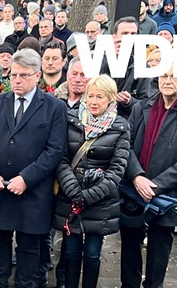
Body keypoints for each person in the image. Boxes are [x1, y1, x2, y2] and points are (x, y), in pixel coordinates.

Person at [0, 48, 67, 288]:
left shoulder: (54, 107)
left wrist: (26, 178)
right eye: (14, 75)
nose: (16, 80)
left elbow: (55, 150)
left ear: (37, 76)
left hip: (33, 191)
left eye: (23, 75)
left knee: (29, 248)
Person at [121, 63, 177, 288]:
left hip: (168, 194)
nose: (167, 80)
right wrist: (137, 177)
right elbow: (126, 146)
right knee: (130, 244)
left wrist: (156, 186)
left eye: (174, 76)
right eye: (163, 75)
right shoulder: (141, 107)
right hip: (134, 189)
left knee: (159, 249)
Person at [53, 75, 130, 288]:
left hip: (101, 201)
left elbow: (117, 169)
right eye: (91, 96)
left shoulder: (120, 126)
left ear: (111, 100)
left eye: (100, 97)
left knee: (93, 254)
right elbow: (61, 159)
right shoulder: (70, 119)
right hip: (71, 197)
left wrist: (89, 195)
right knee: (70, 251)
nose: (94, 101)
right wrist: (73, 190)